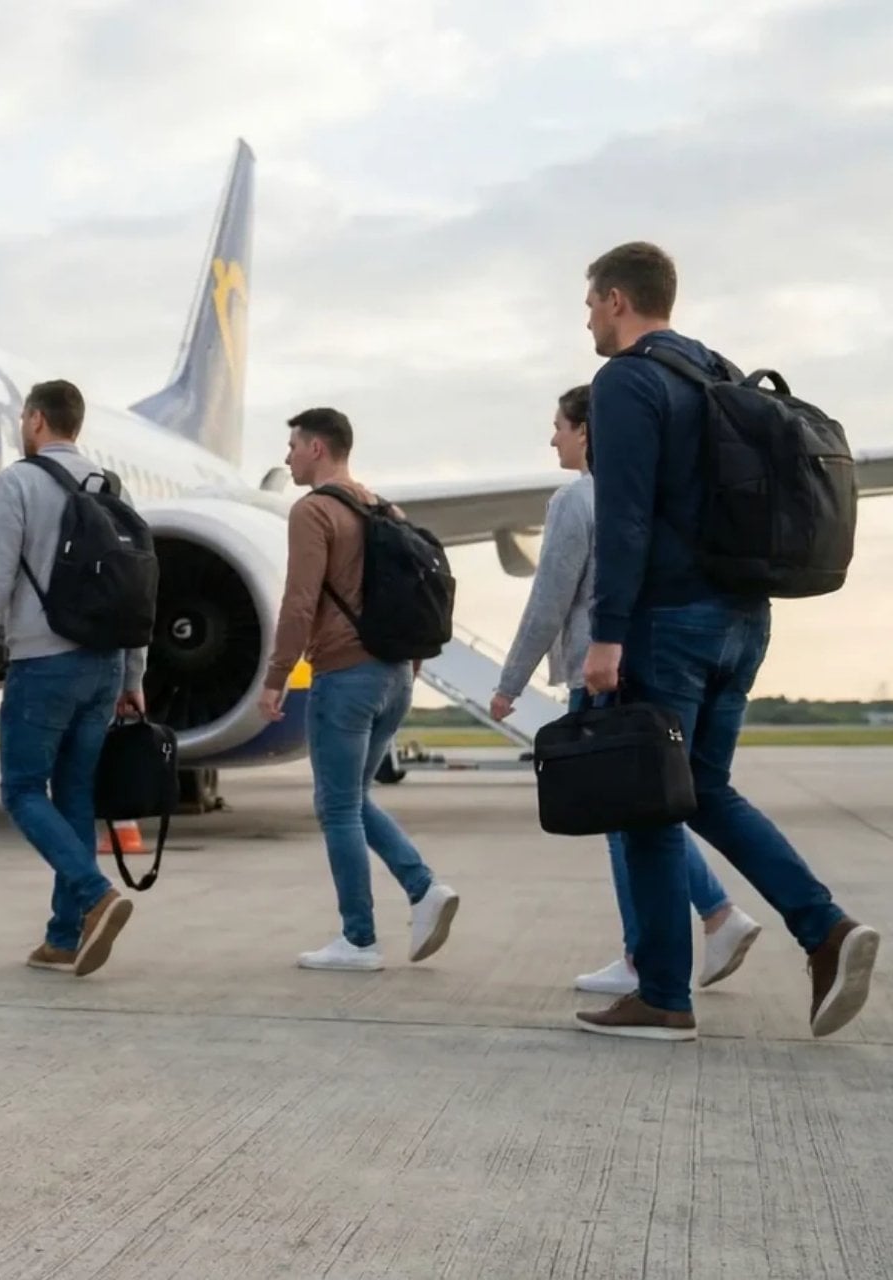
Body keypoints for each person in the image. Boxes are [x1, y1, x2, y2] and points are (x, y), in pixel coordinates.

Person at [577, 240, 878, 1041]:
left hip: (668, 624)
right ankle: (826, 930)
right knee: (705, 790)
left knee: (647, 804)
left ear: (617, 300)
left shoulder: (628, 381)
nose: (589, 322)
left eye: (591, 305)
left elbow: (624, 518)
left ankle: (662, 998)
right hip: (744, 619)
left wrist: (606, 637)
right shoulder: (717, 372)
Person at [491, 384, 761, 996]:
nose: (553, 439)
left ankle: (653, 953)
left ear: (586, 431)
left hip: (599, 675)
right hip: (656, 663)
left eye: (559, 426)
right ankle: (714, 917)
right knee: (645, 813)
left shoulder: (575, 499)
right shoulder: (649, 493)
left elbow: (549, 600)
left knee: (626, 819)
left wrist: (510, 682)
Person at [257, 408, 459, 972]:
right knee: (350, 799)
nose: (288, 456)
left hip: (346, 675)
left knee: (337, 808)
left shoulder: (314, 511)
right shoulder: (385, 509)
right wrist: (411, 663)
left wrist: (276, 677)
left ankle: (360, 938)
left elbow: (299, 603)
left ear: (318, 448)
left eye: (293, 445)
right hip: (395, 676)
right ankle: (422, 889)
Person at [0, 379, 146, 978]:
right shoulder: (110, 489)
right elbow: (135, 589)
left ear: (36, 420)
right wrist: (134, 673)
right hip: (105, 665)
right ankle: (64, 937)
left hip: (44, 662)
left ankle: (96, 895)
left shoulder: (18, 482)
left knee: (21, 790)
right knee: (74, 796)